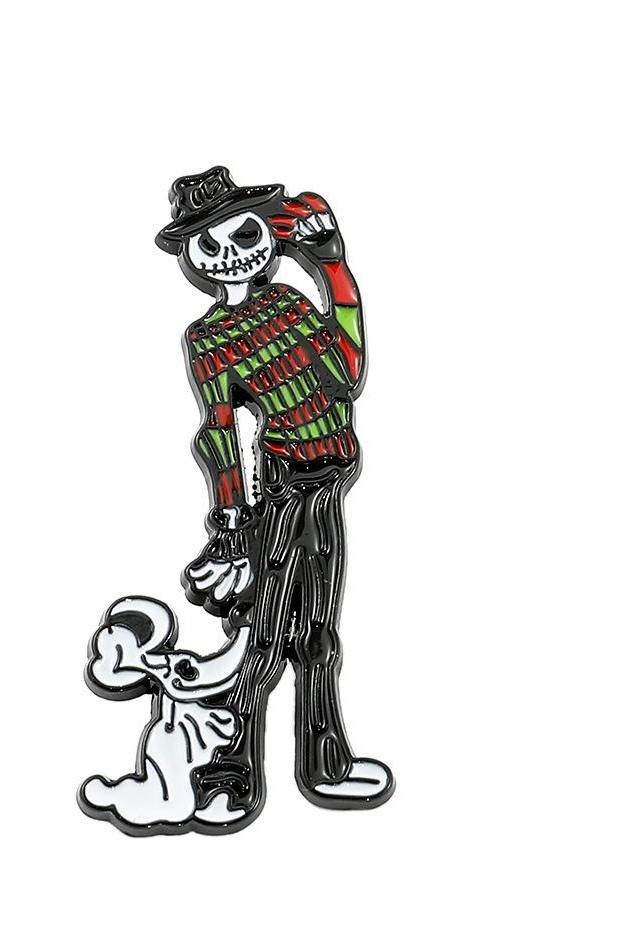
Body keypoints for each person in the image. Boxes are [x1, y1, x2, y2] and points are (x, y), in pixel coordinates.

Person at [155, 166, 394, 826]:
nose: (230, 254)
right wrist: (230, 519)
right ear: (192, 257)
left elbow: (346, 369)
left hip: (327, 479)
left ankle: (325, 763)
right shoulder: (209, 340)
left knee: (317, 633)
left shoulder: (289, 305)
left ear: (267, 234)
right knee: (264, 635)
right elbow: (218, 430)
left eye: (243, 235)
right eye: (210, 245)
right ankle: (233, 768)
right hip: (283, 489)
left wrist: (334, 268)